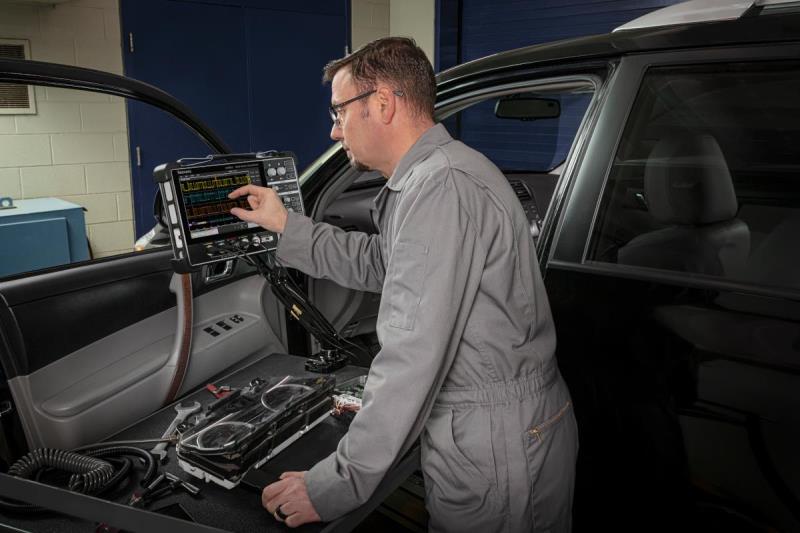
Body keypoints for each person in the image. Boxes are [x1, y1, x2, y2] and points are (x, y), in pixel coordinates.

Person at [228, 37, 578, 533]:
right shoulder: (435, 177)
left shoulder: (442, 188)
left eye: (339, 111)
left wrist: (335, 484)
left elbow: (411, 356)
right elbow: (382, 262)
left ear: (384, 103)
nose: (333, 130)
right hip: (505, 428)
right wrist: (287, 226)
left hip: (495, 442)